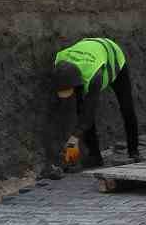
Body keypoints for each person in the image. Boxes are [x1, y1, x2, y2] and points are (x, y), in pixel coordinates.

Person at [52, 38, 139, 169]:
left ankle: (134, 151)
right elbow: (70, 107)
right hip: (90, 50)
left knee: (126, 107)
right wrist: (70, 138)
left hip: (113, 56)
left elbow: (89, 112)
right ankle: (95, 157)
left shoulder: (93, 76)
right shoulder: (60, 62)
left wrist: (74, 138)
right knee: (81, 108)